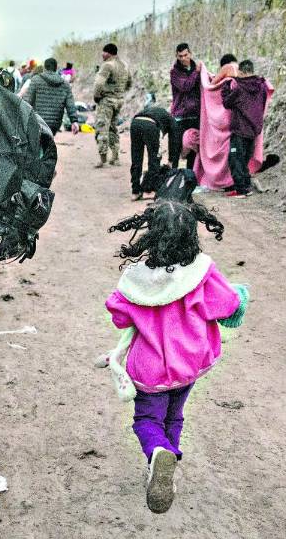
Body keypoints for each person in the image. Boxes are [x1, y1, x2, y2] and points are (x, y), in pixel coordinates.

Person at [97, 200, 248, 513]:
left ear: (151, 236)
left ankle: (158, 453)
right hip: (190, 364)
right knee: (175, 414)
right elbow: (229, 304)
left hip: (150, 371)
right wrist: (240, 294)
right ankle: (168, 457)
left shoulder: (136, 279)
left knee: (147, 419)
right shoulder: (202, 272)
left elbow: (119, 316)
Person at [220, 59, 270, 198]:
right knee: (244, 160)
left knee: (235, 159)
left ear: (241, 72)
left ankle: (241, 190)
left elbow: (226, 103)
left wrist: (225, 87)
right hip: (254, 131)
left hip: (240, 130)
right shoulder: (261, 87)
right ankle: (246, 187)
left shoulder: (239, 89)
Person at [92, 42, 131, 167]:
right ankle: (115, 157)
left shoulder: (107, 65)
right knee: (113, 128)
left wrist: (97, 96)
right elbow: (129, 83)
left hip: (107, 101)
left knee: (102, 128)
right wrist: (119, 93)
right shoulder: (124, 65)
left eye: (103, 52)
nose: (102, 55)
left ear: (108, 53)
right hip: (119, 100)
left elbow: (98, 84)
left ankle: (103, 158)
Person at [168, 43, 206, 169]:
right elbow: (185, 87)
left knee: (193, 148)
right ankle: (172, 177)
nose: (183, 58)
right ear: (176, 56)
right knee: (175, 148)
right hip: (180, 116)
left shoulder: (198, 68)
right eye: (180, 56)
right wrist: (196, 72)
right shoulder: (175, 72)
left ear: (190, 53)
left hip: (195, 115)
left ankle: (191, 178)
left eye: (185, 55)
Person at [20, 57, 81, 136]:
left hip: (38, 122)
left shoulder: (36, 80)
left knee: (38, 145)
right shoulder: (65, 84)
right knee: (49, 144)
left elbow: (28, 101)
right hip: (54, 124)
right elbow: (70, 105)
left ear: (45, 68)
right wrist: (74, 121)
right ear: (56, 68)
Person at [128, 104, 172, 200]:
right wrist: (171, 161)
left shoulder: (154, 111)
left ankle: (135, 191)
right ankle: (150, 191)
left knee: (136, 158)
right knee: (154, 159)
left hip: (135, 123)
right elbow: (174, 141)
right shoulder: (171, 119)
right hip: (150, 125)